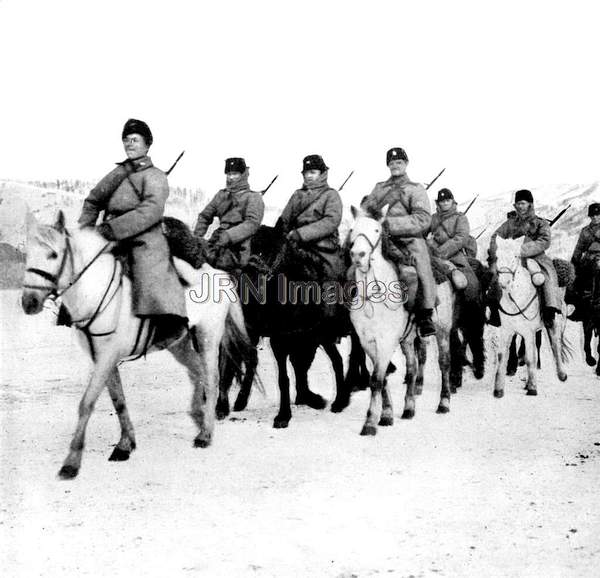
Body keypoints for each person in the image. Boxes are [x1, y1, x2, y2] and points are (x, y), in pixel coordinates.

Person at [78, 118, 187, 347]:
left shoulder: (155, 176)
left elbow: (150, 211)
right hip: (110, 235)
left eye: (135, 140)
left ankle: (164, 324)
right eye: (126, 140)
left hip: (143, 237)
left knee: (148, 266)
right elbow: (93, 200)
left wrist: (110, 229)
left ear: (147, 145)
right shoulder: (118, 173)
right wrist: (86, 232)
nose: (130, 144)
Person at [360, 147, 436, 337]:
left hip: (409, 239)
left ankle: (424, 313)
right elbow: (368, 210)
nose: (395, 166)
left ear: (406, 164)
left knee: (420, 269)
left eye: (399, 163)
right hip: (380, 239)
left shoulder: (415, 189)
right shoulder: (379, 188)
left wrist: (390, 224)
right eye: (392, 163)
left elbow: (423, 219)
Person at [275, 154, 344, 316]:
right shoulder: (297, 195)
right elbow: (285, 218)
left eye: (313, 172)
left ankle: (329, 319)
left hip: (322, 246)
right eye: (306, 173)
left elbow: (331, 221)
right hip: (295, 243)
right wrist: (280, 233)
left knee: (330, 274)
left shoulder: (331, 195)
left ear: (322, 173)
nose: (309, 176)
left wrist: (301, 234)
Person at [487, 189, 561, 327]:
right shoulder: (510, 223)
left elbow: (544, 241)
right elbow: (495, 237)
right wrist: (500, 251)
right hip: (511, 258)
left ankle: (549, 309)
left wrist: (521, 249)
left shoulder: (540, 223)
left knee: (544, 276)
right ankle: (494, 309)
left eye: (523, 203)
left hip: (535, 257)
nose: (520, 206)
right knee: (495, 276)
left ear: (530, 205)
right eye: (518, 204)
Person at [193, 157, 264, 275]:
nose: (231, 177)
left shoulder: (253, 197)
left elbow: (252, 224)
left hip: (239, 245)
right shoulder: (221, 195)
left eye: (235, 174)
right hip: (217, 241)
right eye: (229, 174)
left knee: (223, 267)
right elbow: (205, 216)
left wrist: (229, 236)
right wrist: (196, 237)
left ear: (243, 175)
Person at [428, 188, 480, 300]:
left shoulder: (460, 218)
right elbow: (422, 232)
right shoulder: (433, 218)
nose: (445, 203)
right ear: (438, 203)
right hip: (433, 254)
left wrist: (441, 252)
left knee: (471, 283)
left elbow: (461, 238)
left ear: (452, 201)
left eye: (448, 200)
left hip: (454, 254)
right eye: (442, 201)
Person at [566, 202, 600, 320]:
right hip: (588, 259)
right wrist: (574, 262)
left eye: (597, 215)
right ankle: (577, 308)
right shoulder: (585, 231)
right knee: (575, 280)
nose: (595, 217)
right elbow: (579, 248)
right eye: (592, 215)